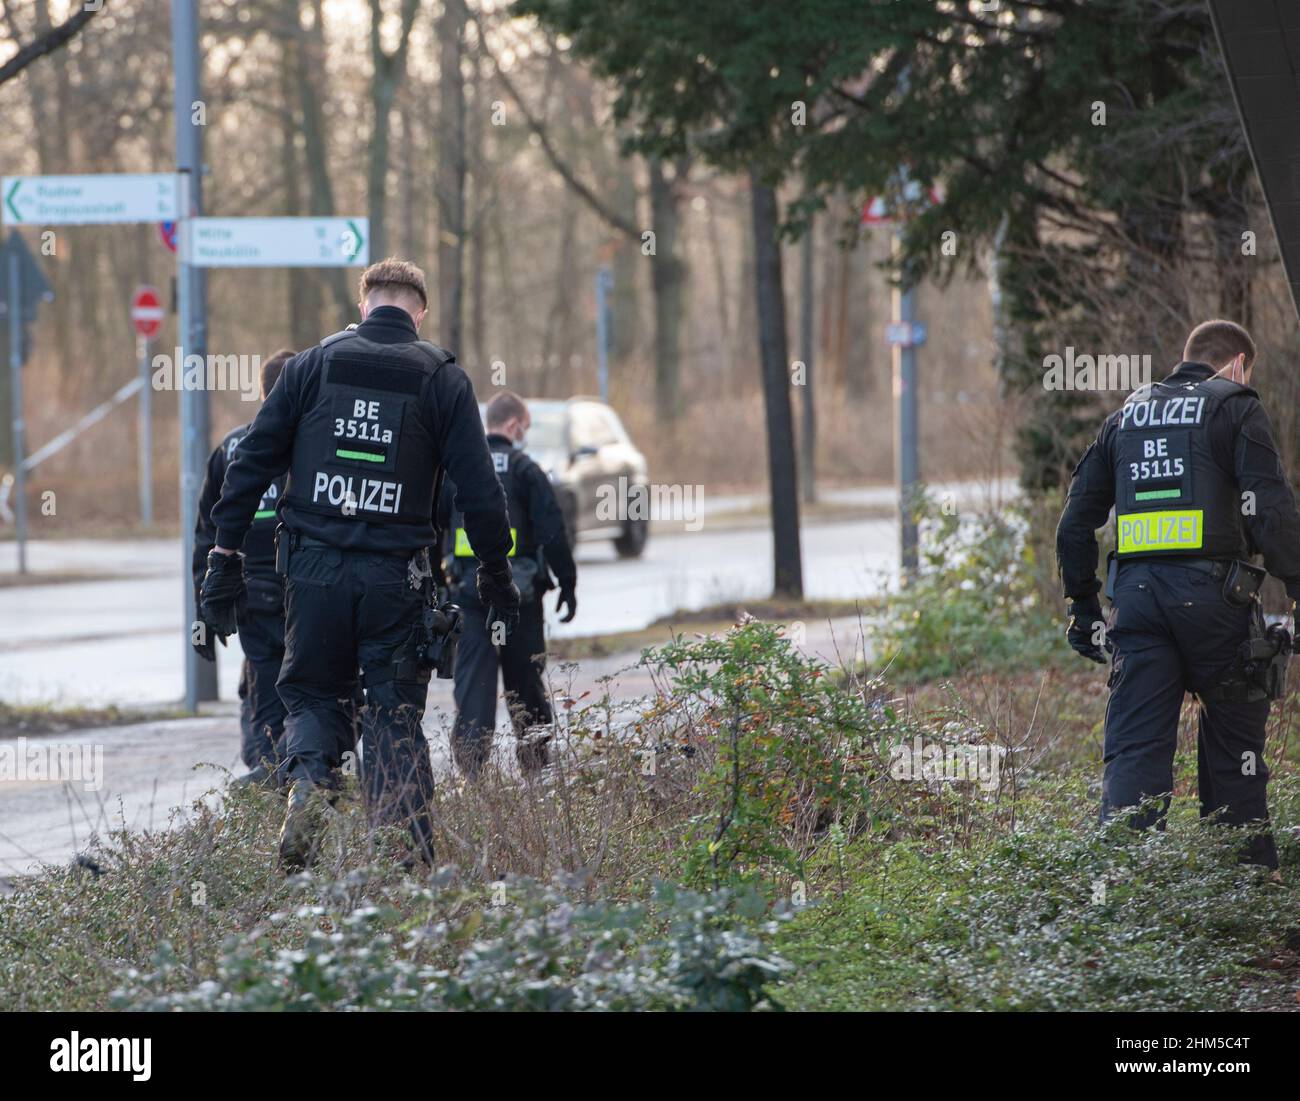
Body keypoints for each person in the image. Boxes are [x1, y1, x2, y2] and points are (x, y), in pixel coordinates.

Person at [198, 258, 519, 870]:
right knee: (392, 712)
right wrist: (496, 573)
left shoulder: (311, 366)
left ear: (364, 302)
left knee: (315, 697)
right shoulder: (443, 379)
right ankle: (405, 861)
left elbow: (250, 465)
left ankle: (311, 787)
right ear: (419, 312)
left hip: (312, 576)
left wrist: (224, 557)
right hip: (395, 580)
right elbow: (479, 492)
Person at [1056, 319, 1300, 872]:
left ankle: (1124, 889)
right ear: (1237, 365)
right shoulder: (1236, 405)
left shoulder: (1126, 417)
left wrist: (1085, 607)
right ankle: (1242, 885)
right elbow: (1270, 512)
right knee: (1234, 748)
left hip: (1137, 608)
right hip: (1216, 605)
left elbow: (1074, 524)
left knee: (1135, 752)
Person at [441, 391, 577, 776]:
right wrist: (567, 583)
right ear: (515, 426)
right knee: (525, 685)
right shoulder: (526, 470)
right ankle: (536, 769)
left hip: (468, 596)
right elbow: (553, 533)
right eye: (526, 429)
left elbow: (433, 528)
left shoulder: (458, 469)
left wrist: (436, 586)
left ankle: (472, 774)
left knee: (473, 688)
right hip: (519, 600)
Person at [193, 348, 296, 788]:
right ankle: (303, 787)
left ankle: (269, 786)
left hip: (250, 597)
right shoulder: (313, 440)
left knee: (266, 696)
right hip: (306, 595)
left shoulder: (231, 448)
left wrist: (207, 603)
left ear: (261, 391)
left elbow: (206, 535)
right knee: (318, 695)